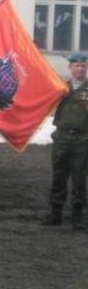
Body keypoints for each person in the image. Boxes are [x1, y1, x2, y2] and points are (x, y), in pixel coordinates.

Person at [43, 52, 88, 229]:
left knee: (79, 179)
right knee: (58, 176)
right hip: (62, 137)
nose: (80, 69)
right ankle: (56, 213)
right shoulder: (61, 87)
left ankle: (77, 217)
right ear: (70, 68)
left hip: (82, 139)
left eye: (83, 66)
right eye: (77, 65)